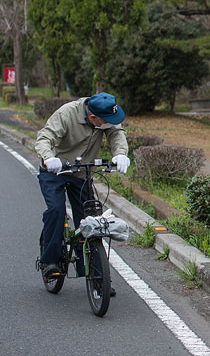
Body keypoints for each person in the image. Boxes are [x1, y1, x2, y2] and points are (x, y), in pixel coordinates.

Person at [35, 92, 130, 294]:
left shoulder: (104, 115)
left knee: (91, 220)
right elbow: (45, 137)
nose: (109, 124)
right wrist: (49, 158)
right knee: (56, 210)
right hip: (56, 170)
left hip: (81, 174)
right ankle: (50, 261)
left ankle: (98, 276)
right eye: (105, 121)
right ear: (93, 117)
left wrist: (120, 153)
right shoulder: (67, 114)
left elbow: (116, 133)